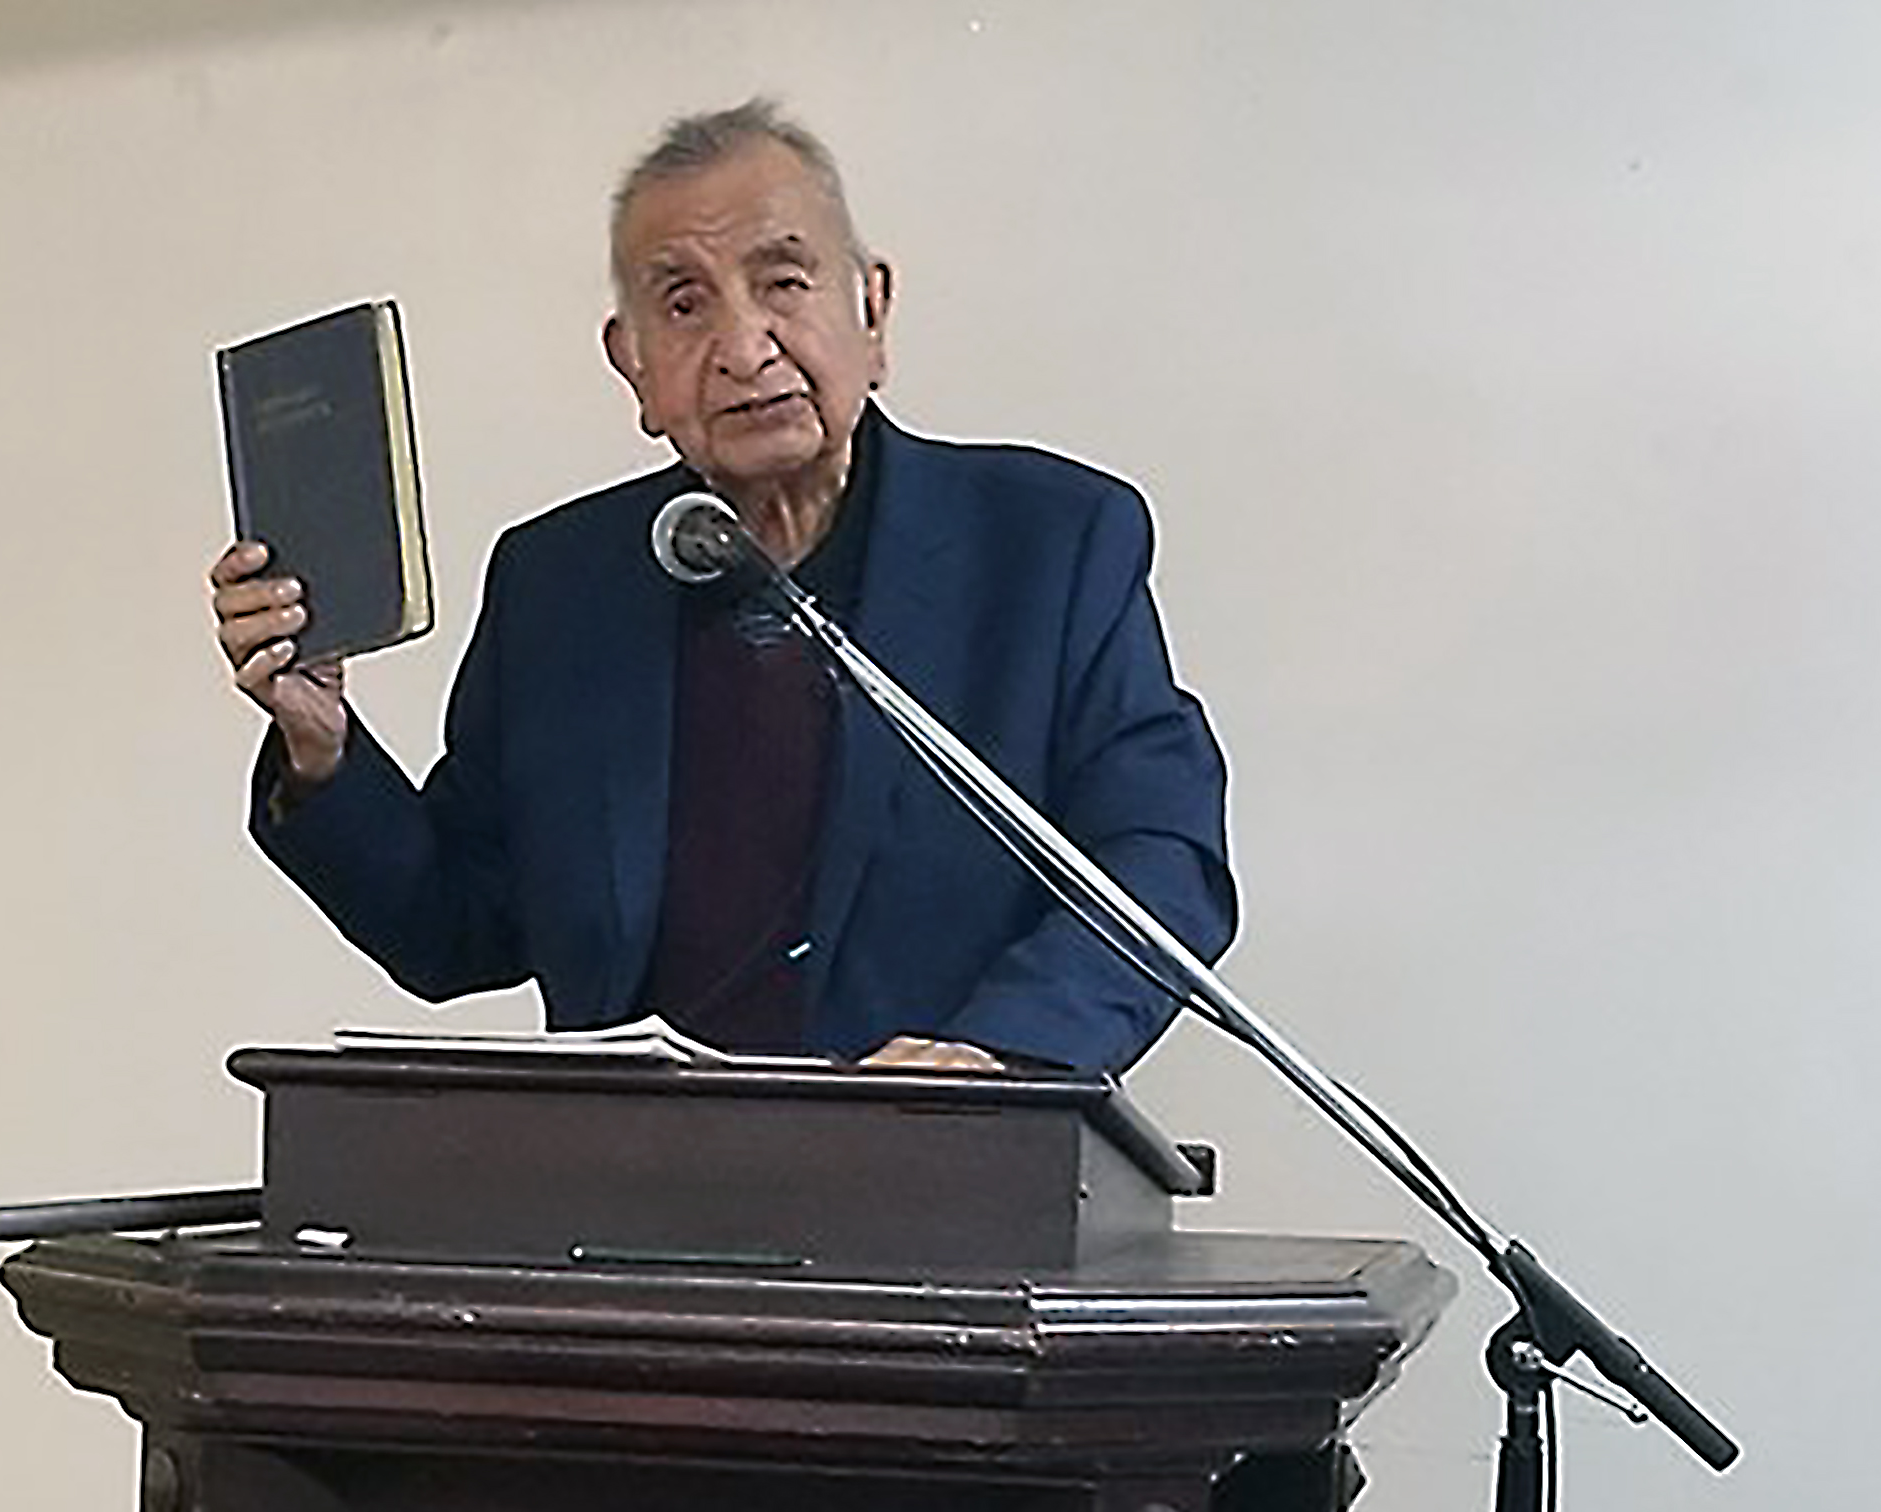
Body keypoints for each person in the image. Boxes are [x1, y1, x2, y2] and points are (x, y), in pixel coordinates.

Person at [211, 100, 1234, 1077]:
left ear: (871, 308)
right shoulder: (557, 588)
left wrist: (993, 1053)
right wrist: (321, 752)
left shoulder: (1046, 546)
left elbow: (1160, 863)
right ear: (634, 368)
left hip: (943, 1189)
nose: (743, 348)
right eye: (684, 304)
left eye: (782, 282)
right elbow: (457, 929)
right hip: (636, 1205)